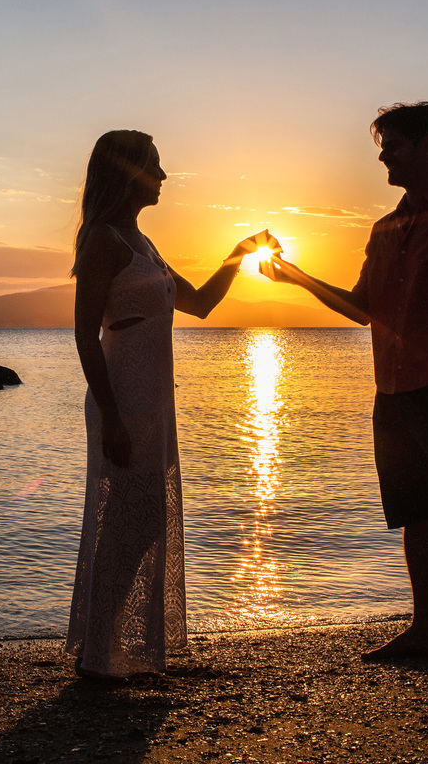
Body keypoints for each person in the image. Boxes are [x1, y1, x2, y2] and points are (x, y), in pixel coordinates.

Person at [261, 102, 428, 676]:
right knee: (414, 514)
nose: (383, 156)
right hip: (393, 391)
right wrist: (293, 274)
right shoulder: (386, 228)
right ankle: (426, 632)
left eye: (392, 145)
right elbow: (361, 309)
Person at [66, 129, 279, 678]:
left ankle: (109, 648)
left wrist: (238, 255)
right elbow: (86, 336)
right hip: (123, 399)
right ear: (128, 173)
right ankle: (99, 654)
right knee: (129, 521)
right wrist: (111, 415)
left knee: (144, 519)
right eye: (155, 166)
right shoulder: (103, 241)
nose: (164, 176)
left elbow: (203, 304)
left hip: (154, 400)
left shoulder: (143, 243)